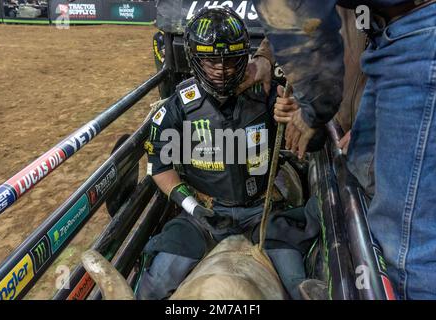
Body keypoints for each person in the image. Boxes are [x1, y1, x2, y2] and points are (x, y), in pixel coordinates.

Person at [249, 0, 436, 299]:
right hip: (398, 33)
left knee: (408, 249)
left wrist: (313, 110)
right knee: (382, 219)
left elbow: (294, 9)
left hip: (418, 34)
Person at [136, 7, 321, 300]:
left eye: (232, 60)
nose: (222, 70)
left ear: (246, 55)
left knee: (299, 286)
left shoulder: (269, 94)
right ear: (195, 60)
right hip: (203, 216)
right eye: (211, 61)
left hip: (264, 213)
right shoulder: (179, 106)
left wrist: (298, 118)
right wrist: (193, 207)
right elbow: (159, 166)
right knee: (154, 285)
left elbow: (313, 143)